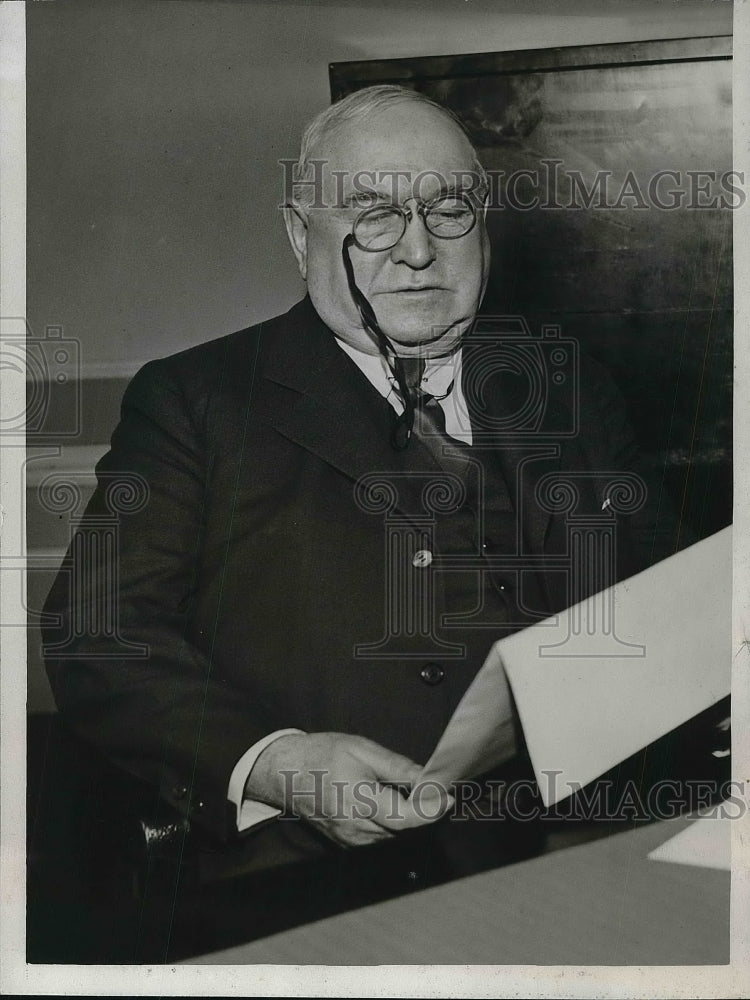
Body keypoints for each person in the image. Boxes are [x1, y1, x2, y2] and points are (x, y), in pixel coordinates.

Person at [42, 85, 683, 867]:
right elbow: (100, 633)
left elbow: (665, 602)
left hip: (582, 848)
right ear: (298, 233)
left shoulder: (569, 386)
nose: (417, 251)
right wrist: (281, 764)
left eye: (448, 210)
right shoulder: (197, 401)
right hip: (312, 875)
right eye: (373, 214)